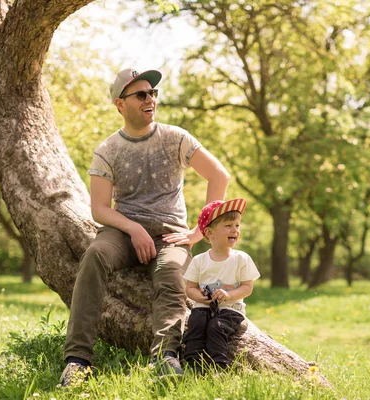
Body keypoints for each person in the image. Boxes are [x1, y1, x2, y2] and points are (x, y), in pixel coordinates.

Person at [60, 68, 230, 386]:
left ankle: (165, 357)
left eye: (153, 93)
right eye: (140, 94)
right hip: (122, 233)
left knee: (171, 274)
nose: (149, 99)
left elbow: (219, 177)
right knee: (95, 255)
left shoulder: (176, 138)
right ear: (120, 104)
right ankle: (78, 360)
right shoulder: (107, 150)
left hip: (170, 235)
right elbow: (99, 209)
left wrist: (198, 231)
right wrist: (133, 229)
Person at [182, 198, 260, 373]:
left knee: (216, 326)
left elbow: (247, 287)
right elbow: (190, 288)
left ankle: (219, 365)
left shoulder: (241, 258)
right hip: (204, 306)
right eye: (228, 226)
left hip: (231, 309)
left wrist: (229, 295)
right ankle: (194, 362)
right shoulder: (199, 260)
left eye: (237, 225)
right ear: (210, 233)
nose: (235, 230)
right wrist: (199, 297)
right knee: (196, 322)